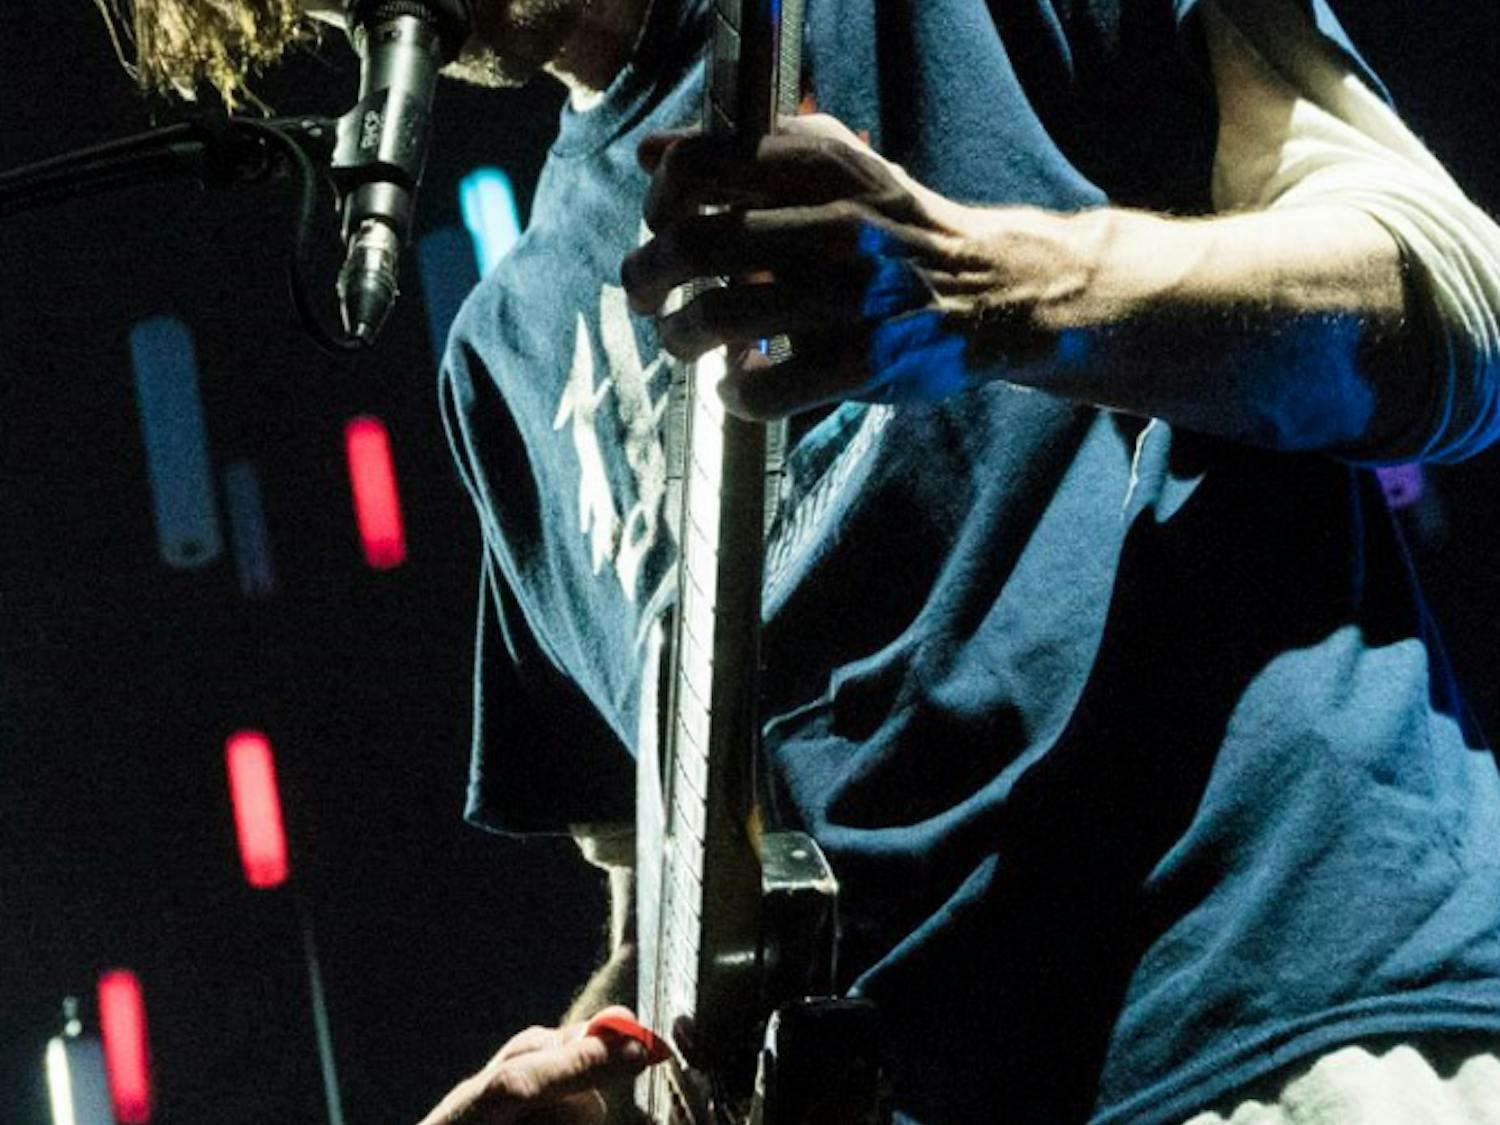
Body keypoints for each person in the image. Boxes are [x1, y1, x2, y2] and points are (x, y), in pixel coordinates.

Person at [102, 0, 1500, 1120]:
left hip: (1295, 1009)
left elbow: (1459, 301)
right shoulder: (504, 359)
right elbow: (681, 894)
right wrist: (606, 1079)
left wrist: (995, 290)